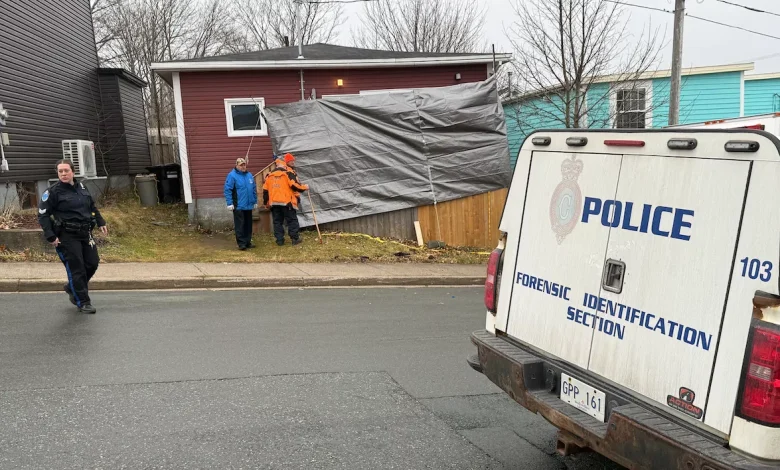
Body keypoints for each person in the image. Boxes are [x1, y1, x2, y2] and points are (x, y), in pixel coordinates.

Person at [38, 159, 108, 314]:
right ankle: (83, 302)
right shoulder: (52, 192)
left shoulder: (82, 187)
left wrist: (100, 221)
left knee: (92, 263)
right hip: (66, 235)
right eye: (60, 171)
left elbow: (91, 206)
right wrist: (50, 235)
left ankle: (72, 287)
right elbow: (43, 215)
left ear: (73, 172)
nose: (63, 174)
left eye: (66, 171)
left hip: (85, 233)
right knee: (77, 269)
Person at [263, 156, 309, 246]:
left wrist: (266, 203)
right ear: (284, 165)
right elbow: (294, 186)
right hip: (287, 203)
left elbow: (265, 191)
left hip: (274, 203)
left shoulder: (269, 175)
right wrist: (305, 187)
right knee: (291, 221)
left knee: (277, 222)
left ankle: (279, 240)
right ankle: (295, 239)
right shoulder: (288, 173)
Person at [224, 157, 258, 250]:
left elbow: (253, 189)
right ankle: (241, 243)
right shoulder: (232, 175)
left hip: (248, 205)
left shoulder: (249, 175)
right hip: (238, 205)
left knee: (248, 225)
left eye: (244, 165)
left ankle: (248, 241)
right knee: (240, 225)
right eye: (241, 165)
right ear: (236, 165)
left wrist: (254, 201)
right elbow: (228, 189)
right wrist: (229, 203)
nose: (243, 167)